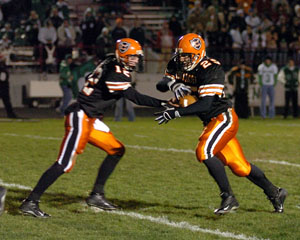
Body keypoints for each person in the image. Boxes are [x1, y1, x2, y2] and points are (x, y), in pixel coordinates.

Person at [19, 38, 168, 218]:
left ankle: (96, 195)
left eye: (136, 57)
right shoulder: (116, 73)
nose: (136, 60)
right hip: (81, 116)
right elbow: (135, 97)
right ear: (122, 56)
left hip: (91, 118)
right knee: (64, 163)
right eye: (132, 57)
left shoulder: (110, 61)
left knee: (116, 150)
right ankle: (31, 201)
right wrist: (165, 104)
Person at [155, 33, 287, 215]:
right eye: (181, 55)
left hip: (223, 118)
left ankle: (228, 197)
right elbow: (160, 84)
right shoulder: (177, 63)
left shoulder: (211, 69)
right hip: (209, 121)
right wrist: (172, 84)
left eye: (187, 55)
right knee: (240, 167)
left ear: (199, 53)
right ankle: (275, 193)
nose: (182, 59)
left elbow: (206, 104)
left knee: (204, 151)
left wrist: (176, 112)